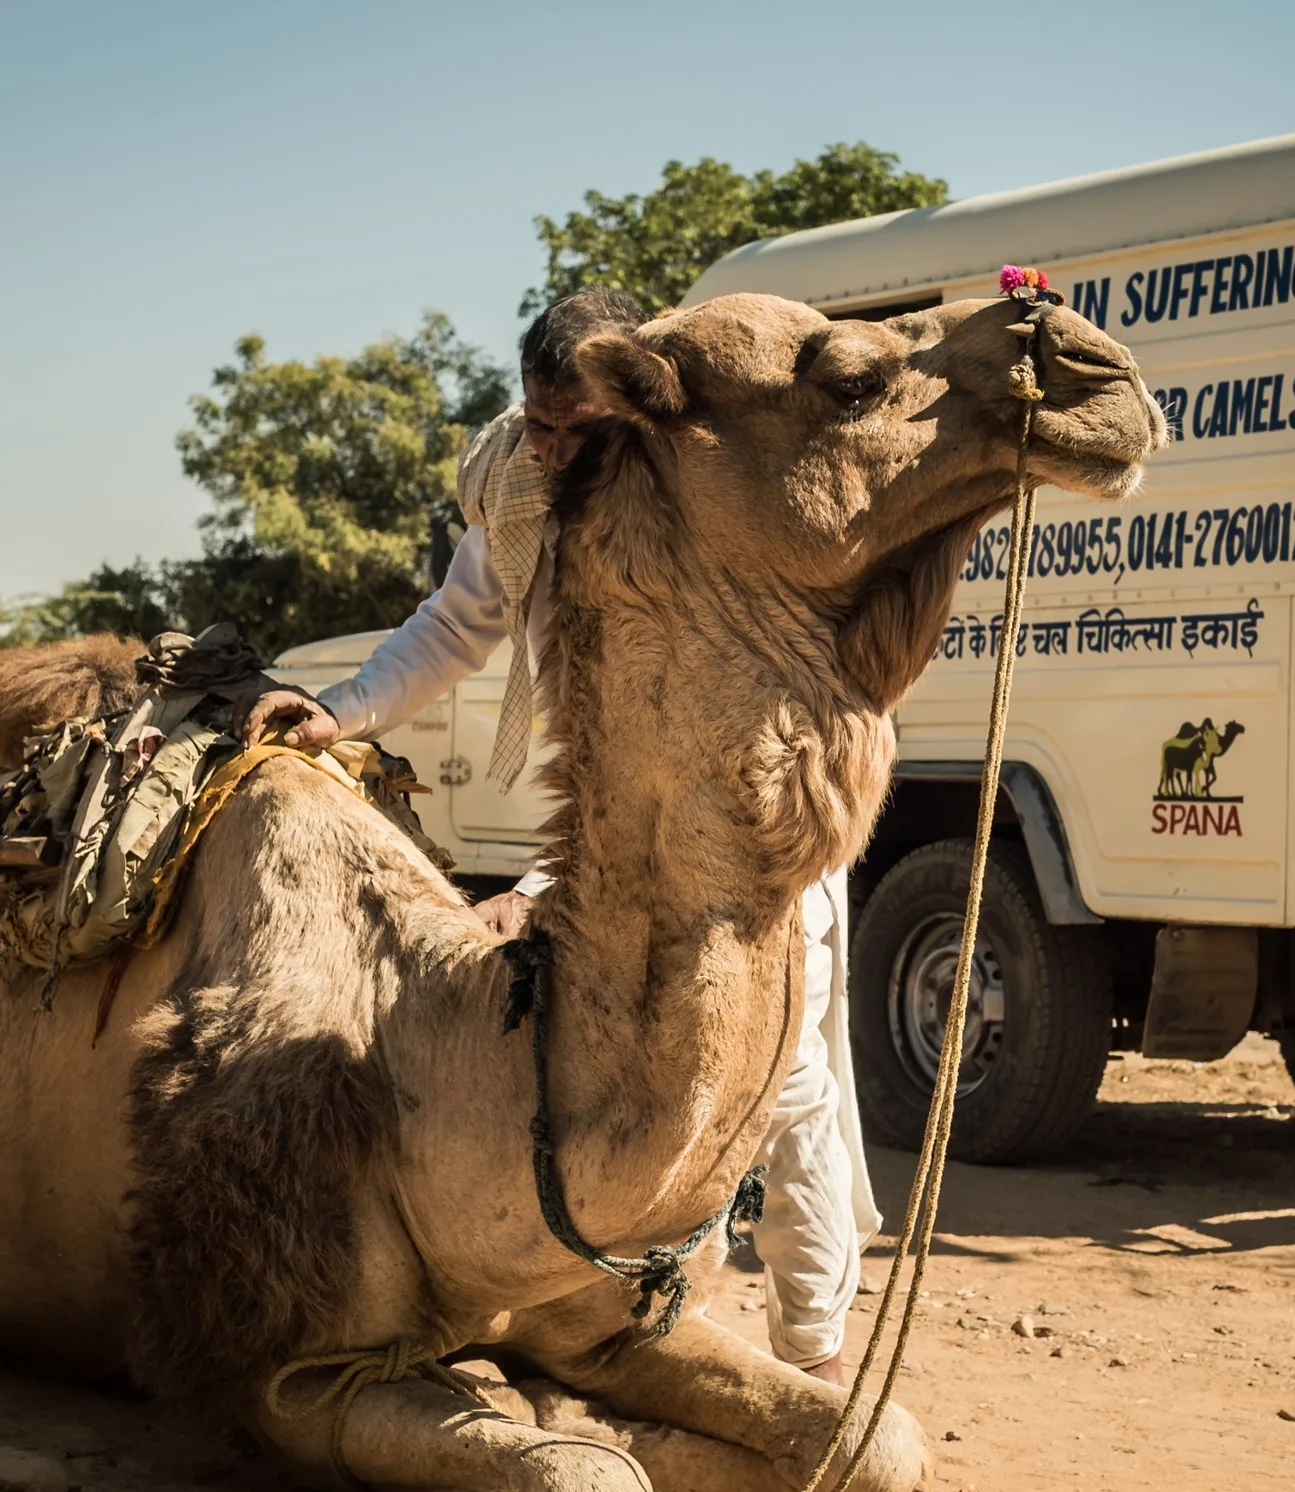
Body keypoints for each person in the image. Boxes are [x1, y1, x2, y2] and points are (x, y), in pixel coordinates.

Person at [240, 290, 881, 1384]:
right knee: (638, 1108)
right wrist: (340, 712)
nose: (553, 448)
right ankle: (673, 1346)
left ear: (637, 401)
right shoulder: (514, 485)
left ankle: (813, 1370)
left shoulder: (716, 505)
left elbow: (708, 733)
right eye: (540, 423)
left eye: (576, 429)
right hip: (615, 853)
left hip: (746, 848)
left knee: (782, 1096)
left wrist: (542, 889)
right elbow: (454, 624)